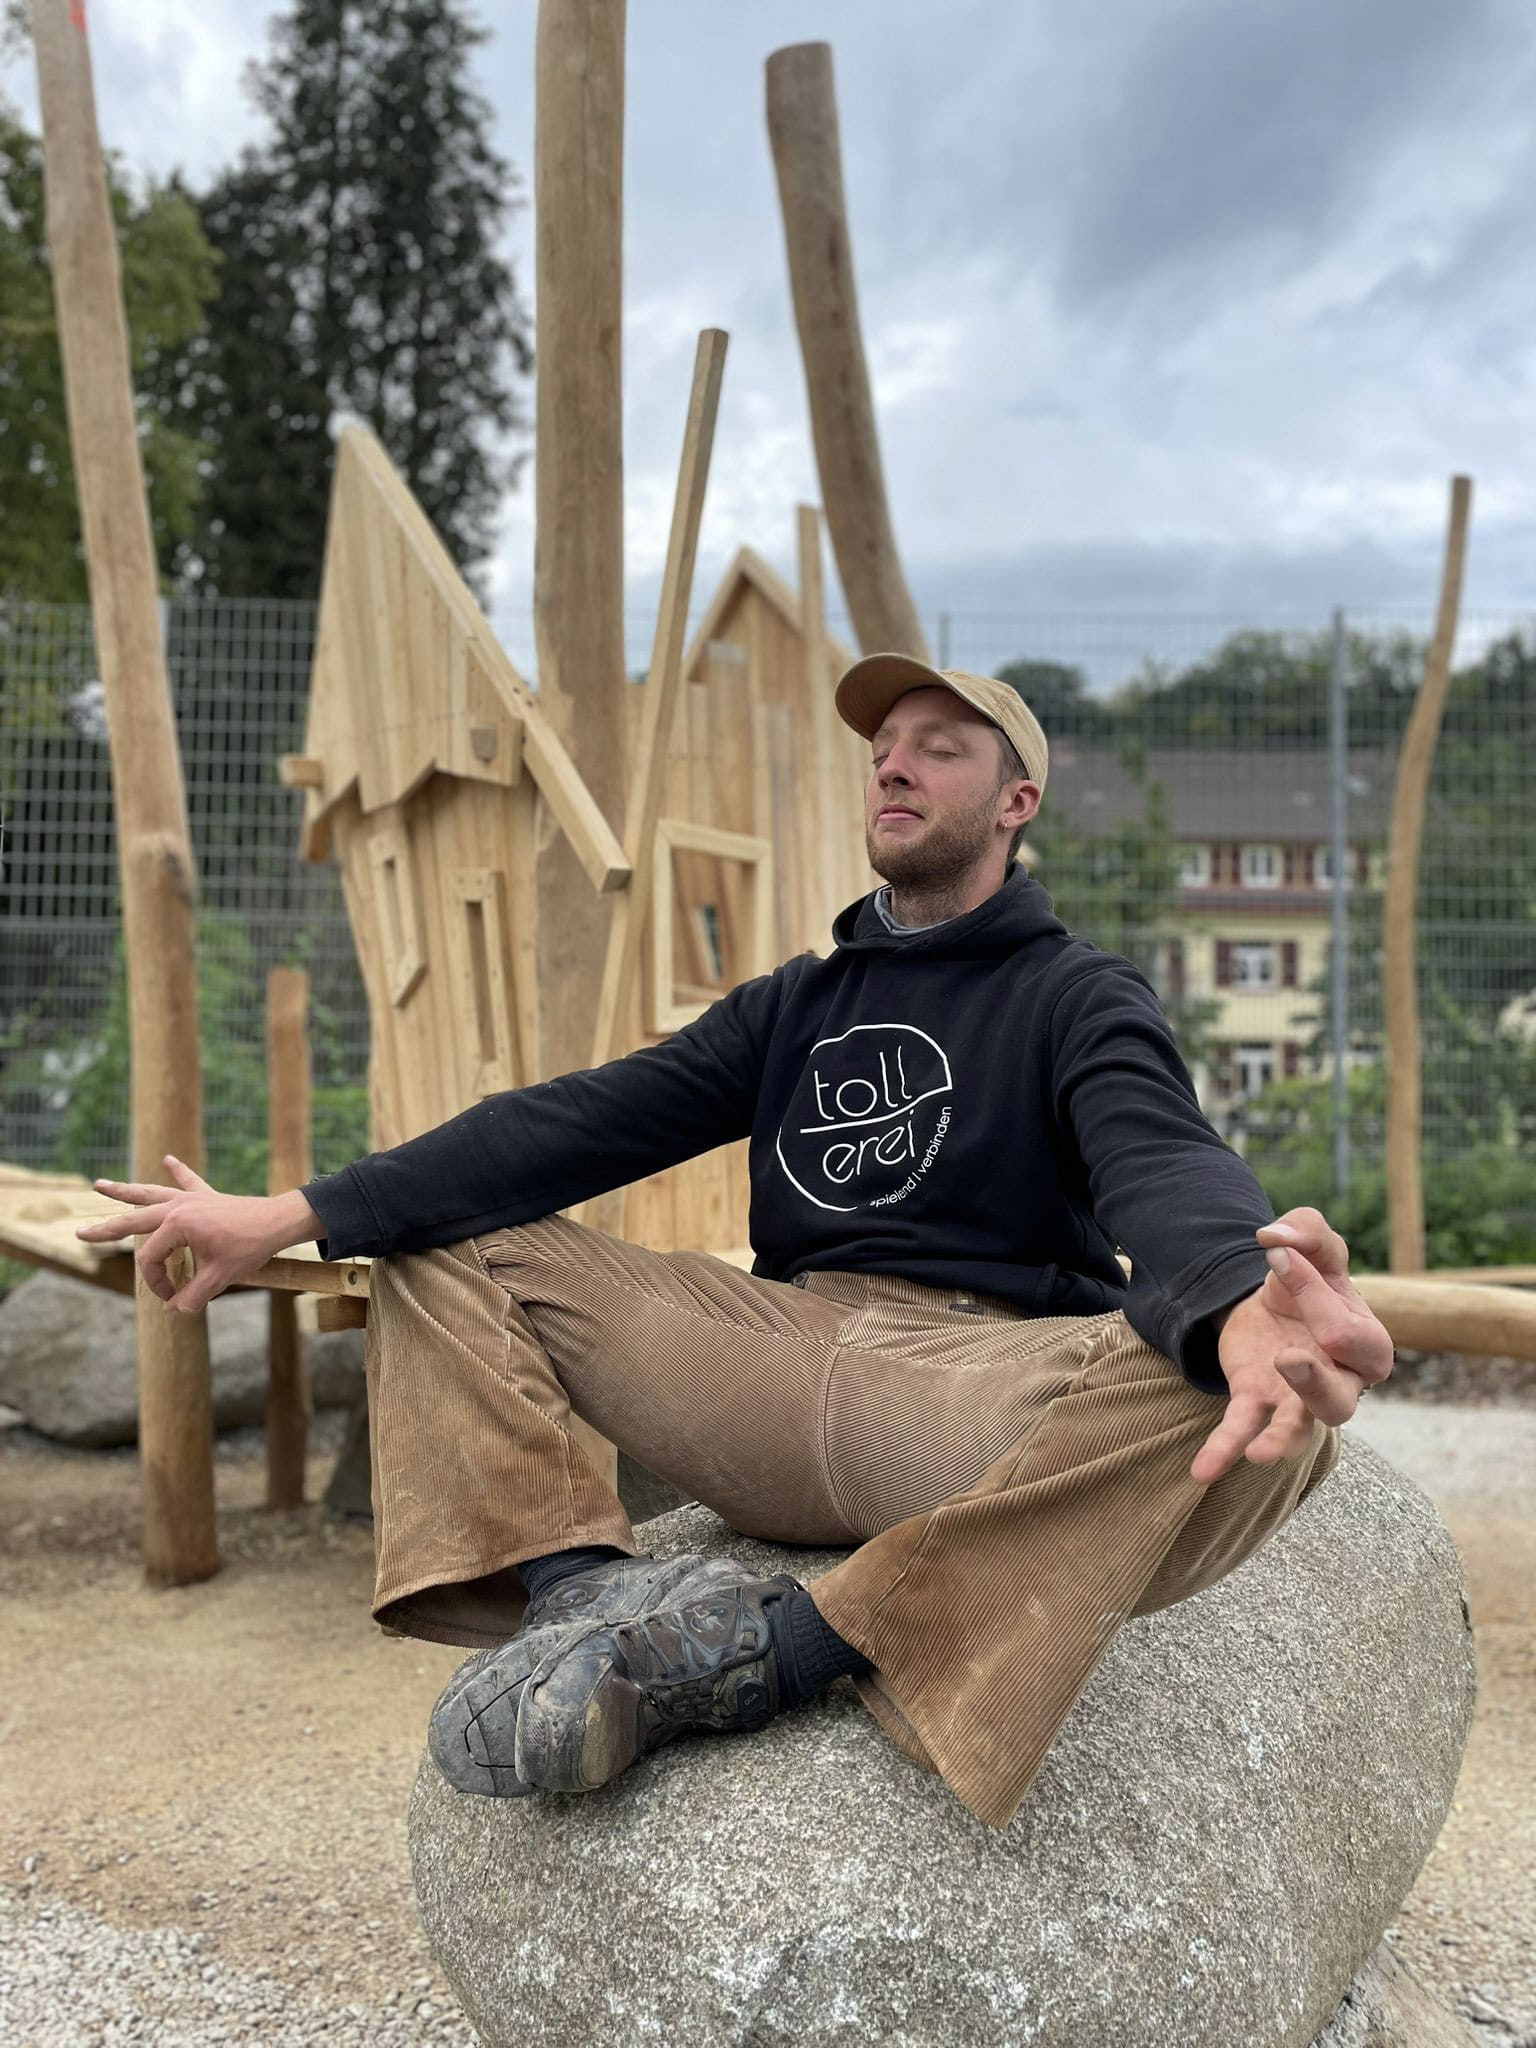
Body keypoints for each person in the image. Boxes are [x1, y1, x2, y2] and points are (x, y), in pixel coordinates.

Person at [78, 653, 1393, 1829]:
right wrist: (298, 1212)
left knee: (1263, 1422)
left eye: (943, 745)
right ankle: (585, 1609)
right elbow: (569, 1127)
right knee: (445, 1236)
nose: (895, 761)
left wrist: (1233, 1297)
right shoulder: (795, 1005)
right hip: (777, 1355)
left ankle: (772, 1654)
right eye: (885, 745)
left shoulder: (1079, 993)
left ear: (1015, 805)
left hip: (972, 1392)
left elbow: (1159, 1158)